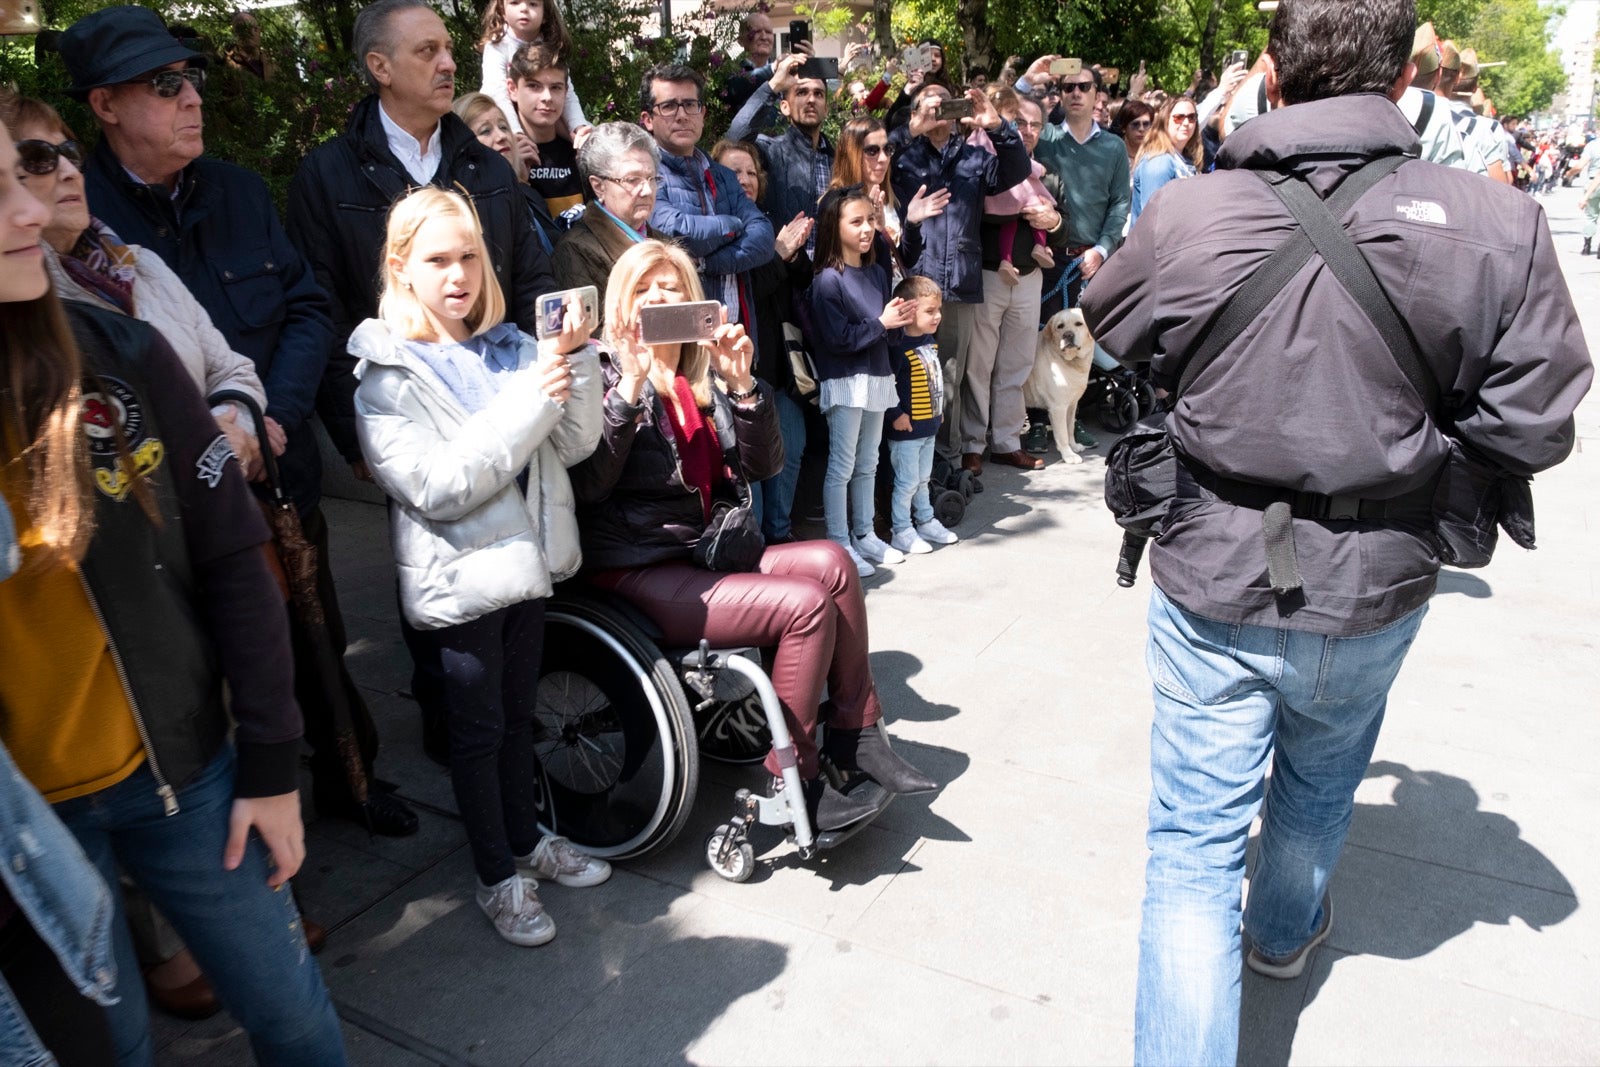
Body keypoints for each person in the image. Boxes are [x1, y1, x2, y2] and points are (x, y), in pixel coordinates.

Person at [1079, 1, 1593, 1062]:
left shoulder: (1194, 210)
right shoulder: (1494, 221)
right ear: (1406, 71)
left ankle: (1261, 936)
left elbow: (1113, 321)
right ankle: (1279, 933)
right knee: (1319, 778)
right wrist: (1422, 452)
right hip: (1375, 573)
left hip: (1214, 561)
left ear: (1271, 72)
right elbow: (1535, 418)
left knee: (1191, 850)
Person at [0, 123, 348, 1067]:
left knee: (297, 1018)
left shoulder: (122, 352)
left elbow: (236, 555)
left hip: (184, 780)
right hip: (24, 835)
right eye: (0, 188)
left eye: (26, 177)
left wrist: (273, 766)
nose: (32, 208)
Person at [53, 7, 404, 839]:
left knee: (315, 645)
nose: (192, 99)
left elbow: (309, 308)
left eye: (193, 80)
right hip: (167, 515)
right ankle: (244, 851)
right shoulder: (78, 223)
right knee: (206, 680)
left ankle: (352, 782)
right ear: (104, 106)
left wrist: (271, 416)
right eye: (165, 85)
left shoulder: (241, 190)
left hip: (276, 472)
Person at [569, 239, 938, 831]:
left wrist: (742, 388)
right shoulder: (602, 371)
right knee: (805, 606)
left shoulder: (696, 374)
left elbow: (763, 467)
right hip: (635, 564)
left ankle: (856, 732)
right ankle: (793, 775)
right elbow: (590, 485)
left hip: (701, 552)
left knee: (833, 563)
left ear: (695, 304)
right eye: (644, 290)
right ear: (620, 304)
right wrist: (629, 389)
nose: (659, 299)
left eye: (672, 290)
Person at [288, 0, 558, 768]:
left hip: (501, 399)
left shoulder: (483, 165)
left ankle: (506, 719)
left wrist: (547, 371)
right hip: (404, 412)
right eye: (429, 51)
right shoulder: (328, 174)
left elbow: (529, 275)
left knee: (511, 556)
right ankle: (455, 722)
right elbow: (323, 305)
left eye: (448, 50)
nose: (449, 64)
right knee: (437, 571)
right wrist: (353, 432)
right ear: (380, 67)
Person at [350, 187, 608, 946]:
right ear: (401, 267)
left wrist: (578, 363)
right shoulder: (384, 377)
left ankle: (525, 842)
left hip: (525, 567)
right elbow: (441, 486)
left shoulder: (510, 348)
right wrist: (534, 398)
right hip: (460, 583)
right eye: (437, 258)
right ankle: (498, 875)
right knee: (477, 729)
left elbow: (574, 445)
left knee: (515, 718)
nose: (458, 273)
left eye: (469, 256)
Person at [8, 96, 267, 466]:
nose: (68, 171)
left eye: (68, 151)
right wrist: (203, 443)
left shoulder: (142, 266)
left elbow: (233, 371)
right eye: (38, 158)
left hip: (204, 504)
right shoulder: (21, 303)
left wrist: (229, 433)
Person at [891, 83, 1031, 474]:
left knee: (948, 379)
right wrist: (912, 128)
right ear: (917, 111)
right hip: (915, 278)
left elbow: (1017, 170)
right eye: (929, 103)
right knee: (910, 373)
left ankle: (947, 463)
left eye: (945, 102)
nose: (939, 110)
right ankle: (910, 464)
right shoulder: (902, 155)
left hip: (958, 283)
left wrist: (996, 125)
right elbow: (867, 159)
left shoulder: (974, 157)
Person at [710, 139, 813, 544]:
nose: (745, 179)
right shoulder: (713, 232)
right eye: (735, 171)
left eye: (751, 171)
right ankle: (756, 544)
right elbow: (749, 285)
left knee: (791, 449)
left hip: (775, 365)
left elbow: (799, 279)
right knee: (748, 464)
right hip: (730, 372)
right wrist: (778, 255)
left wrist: (788, 254)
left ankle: (780, 534)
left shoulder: (767, 223)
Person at [809, 185, 916, 576]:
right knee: (842, 464)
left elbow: (885, 332)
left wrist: (896, 323)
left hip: (876, 378)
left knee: (869, 462)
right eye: (856, 222)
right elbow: (837, 340)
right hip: (845, 381)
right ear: (834, 227)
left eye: (870, 220)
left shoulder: (875, 270)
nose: (867, 228)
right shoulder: (826, 280)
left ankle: (865, 533)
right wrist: (882, 323)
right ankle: (839, 541)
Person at [964, 92, 1068, 472]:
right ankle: (971, 444)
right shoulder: (983, 165)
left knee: (1016, 365)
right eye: (1018, 122)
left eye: (1034, 124)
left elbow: (1064, 230)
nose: (1026, 131)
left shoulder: (1047, 175)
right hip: (989, 276)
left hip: (1029, 280)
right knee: (978, 365)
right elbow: (975, 215)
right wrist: (1023, 212)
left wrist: (1052, 223)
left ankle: (1006, 442)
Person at [640, 63, 774, 341]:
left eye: (690, 104)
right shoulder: (644, 176)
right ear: (648, 119)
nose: (681, 115)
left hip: (737, 335)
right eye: (668, 106)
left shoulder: (722, 175)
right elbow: (679, 233)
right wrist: (735, 226)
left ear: (703, 114)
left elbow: (763, 239)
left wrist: (704, 264)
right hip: (681, 341)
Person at [1017, 57, 1131, 314]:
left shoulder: (1114, 147)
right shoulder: (1043, 136)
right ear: (1060, 95)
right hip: (1045, 258)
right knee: (1042, 342)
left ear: (1097, 94)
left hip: (1093, 260)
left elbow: (1120, 204)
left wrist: (1101, 250)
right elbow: (1004, 119)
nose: (1076, 93)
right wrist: (1026, 81)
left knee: (1087, 347)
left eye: (1084, 86)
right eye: (1069, 88)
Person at [551, 121, 661, 333]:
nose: (647, 190)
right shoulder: (576, 250)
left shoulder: (665, 243)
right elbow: (589, 338)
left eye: (652, 178)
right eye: (632, 180)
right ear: (598, 186)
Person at [883, 274, 958, 556]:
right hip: (905, 430)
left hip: (928, 426)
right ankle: (901, 529)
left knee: (923, 478)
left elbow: (933, 378)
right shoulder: (897, 346)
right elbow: (887, 382)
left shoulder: (929, 340)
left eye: (938, 310)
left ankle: (925, 520)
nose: (937, 316)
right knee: (906, 481)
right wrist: (895, 413)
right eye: (930, 311)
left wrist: (938, 412)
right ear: (909, 310)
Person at [726, 50, 834, 240]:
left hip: (832, 268)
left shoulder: (838, 158)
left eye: (818, 94)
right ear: (784, 106)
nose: (811, 100)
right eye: (802, 92)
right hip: (786, 265)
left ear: (826, 108)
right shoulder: (770, 152)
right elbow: (735, 139)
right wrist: (774, 85)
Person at [452, 91, 561, 254]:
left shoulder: (529, 194)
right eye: (485, 131)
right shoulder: (464, 210)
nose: (502, 136)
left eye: (503, 127)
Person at [476, 0, 590, 152]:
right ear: (502, 11)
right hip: (505, 118)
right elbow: (497, 93)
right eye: (515, 3)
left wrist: (579, 126)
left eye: (533, 4)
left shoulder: (551, 47)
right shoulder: (497, 46)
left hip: (542, 118)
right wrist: (516, 134)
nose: (524, 9)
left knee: (577, 135)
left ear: (545, 15)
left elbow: (567, 94)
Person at [507, 41, 584, 223]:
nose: (547, 98)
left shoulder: (580, 153)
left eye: (555, 87)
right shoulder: (501, 156)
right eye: (534, 86)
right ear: (513, 89)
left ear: (566, 92)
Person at [1130, 96, 1203, 224]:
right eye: (1179, 117)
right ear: (1165, 121)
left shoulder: (1186, 160)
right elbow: (1154, 221)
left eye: (1191, 118)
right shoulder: (1159, 163)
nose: (1186, 123)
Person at [1565, 133, 1600, 254]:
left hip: (1592, 182)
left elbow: (1580, 166)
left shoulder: (1592, 146)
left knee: (1590, 216)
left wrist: (1569, 173)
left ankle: (1587, 245)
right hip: (1596, 179)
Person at [1110, 98, 1155, 178]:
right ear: (1124, 128)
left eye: (1146, 124)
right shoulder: (1113, 155)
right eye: (1135, 124)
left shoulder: (1155, 156)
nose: (1141, 129)